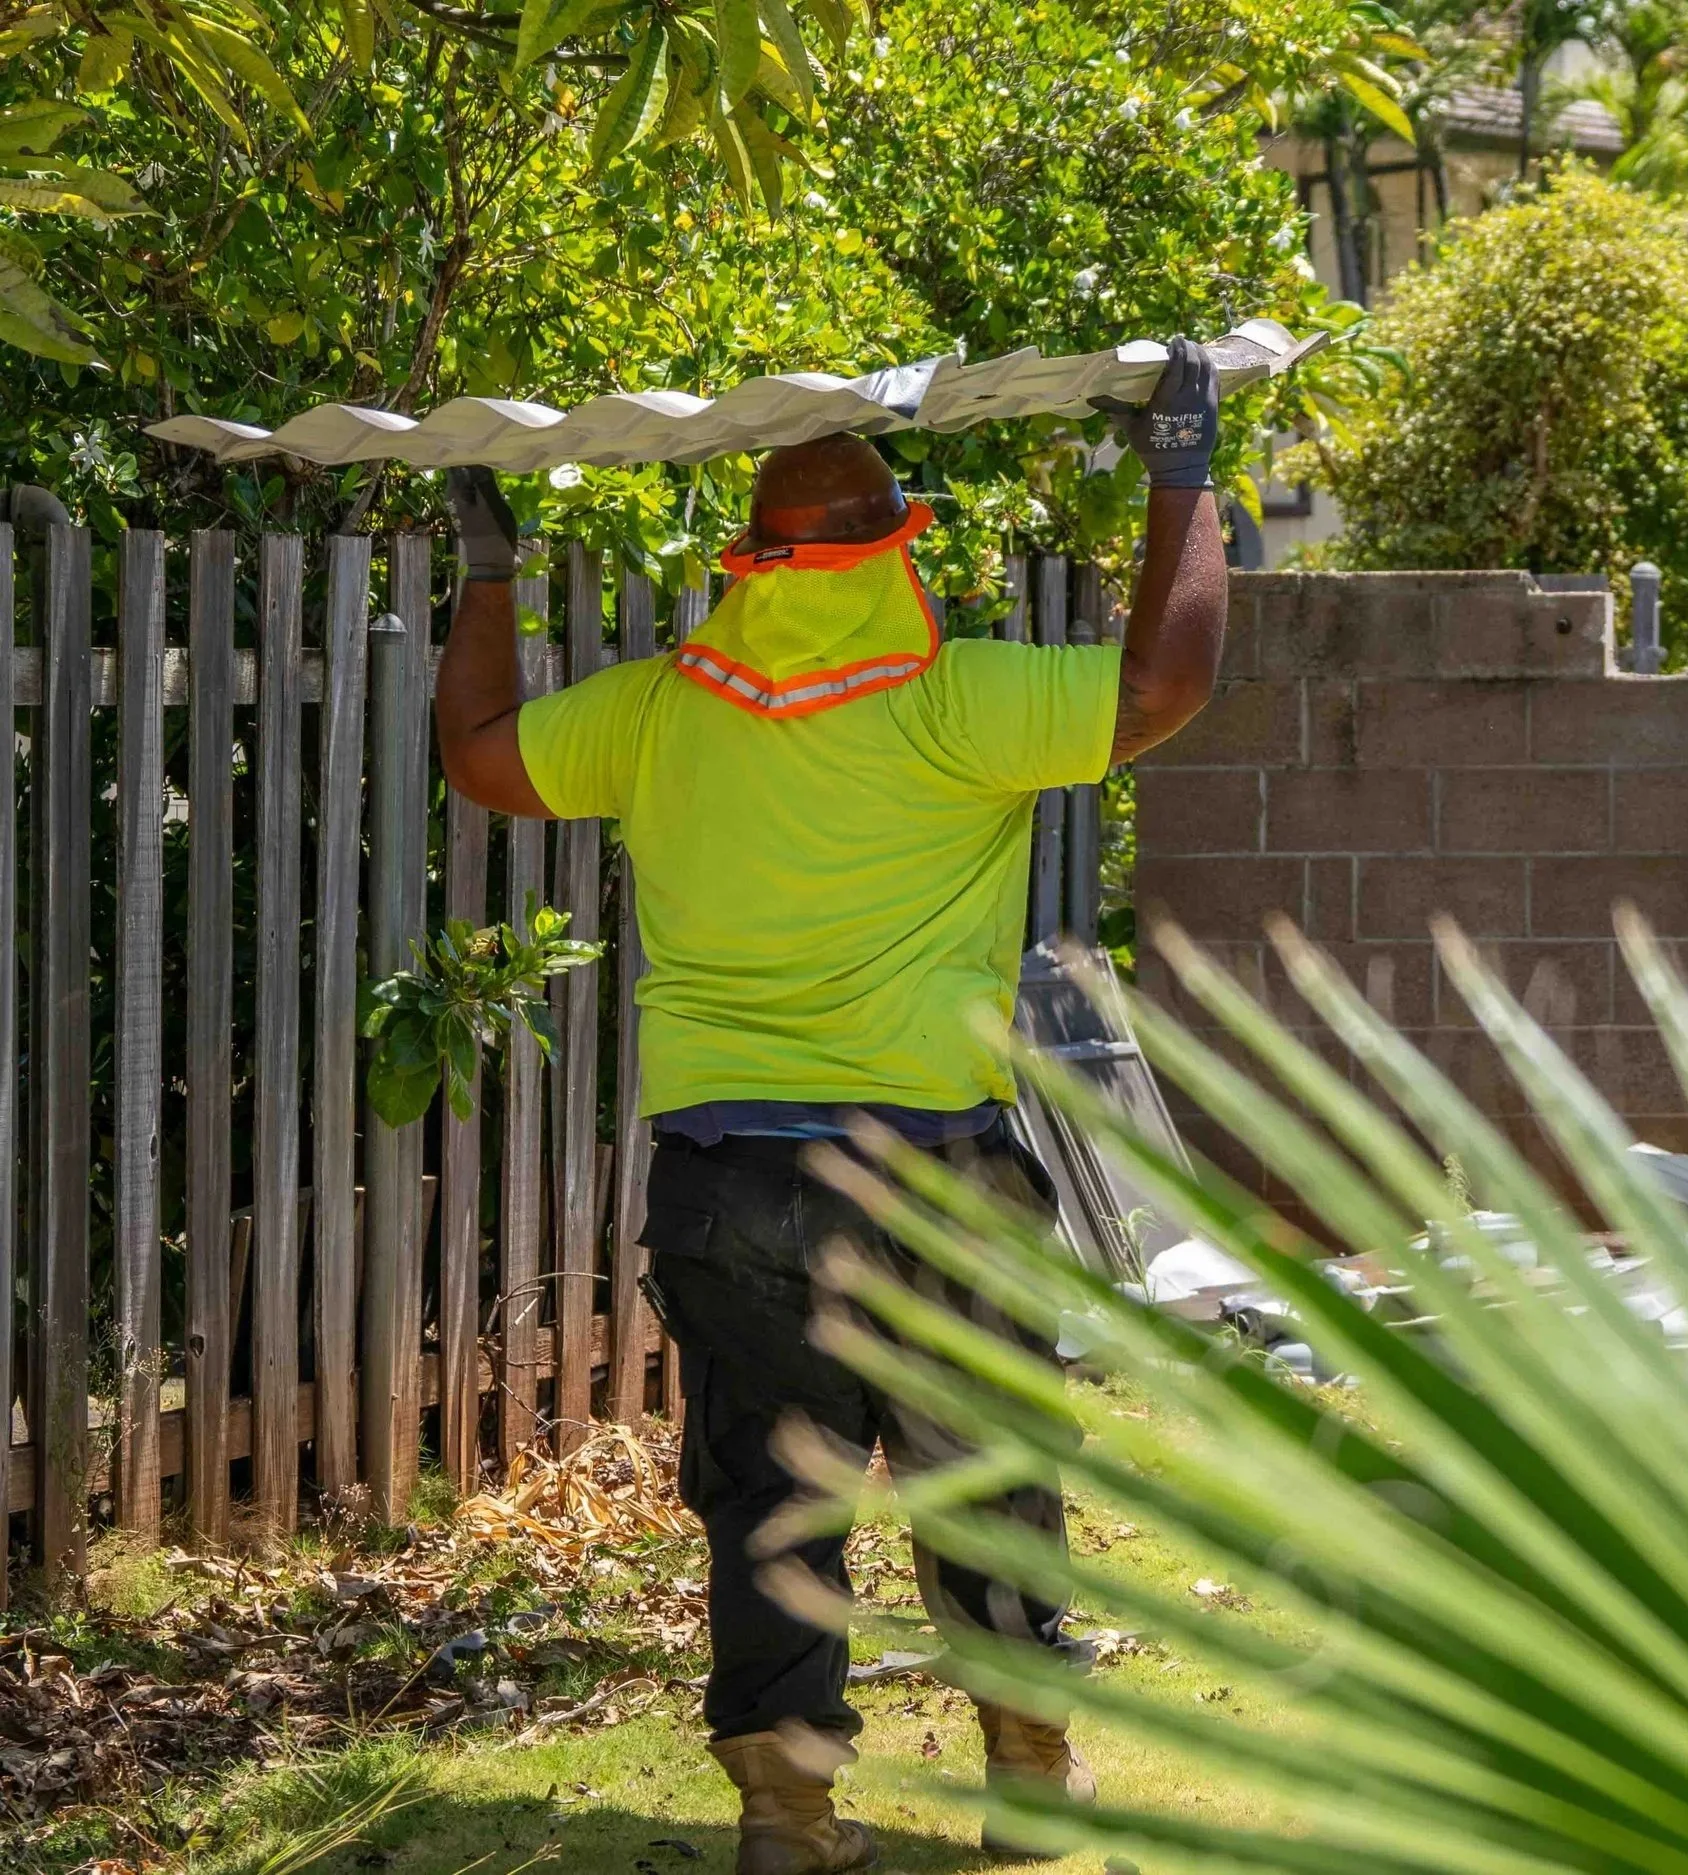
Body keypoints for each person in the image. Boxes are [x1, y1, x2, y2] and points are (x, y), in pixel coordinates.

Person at [436, 339, 1227, 1875]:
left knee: (770, 1501)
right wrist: (1180, 477)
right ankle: (1027, 1782)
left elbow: (476, 757)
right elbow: (1169, 681)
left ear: (750, 563)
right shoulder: (961, 700)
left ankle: (786, 1820)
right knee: (983, 1473)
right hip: (931, 1165)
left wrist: (487, 572)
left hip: (729, 1178)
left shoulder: (662, 709)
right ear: (894, 548)